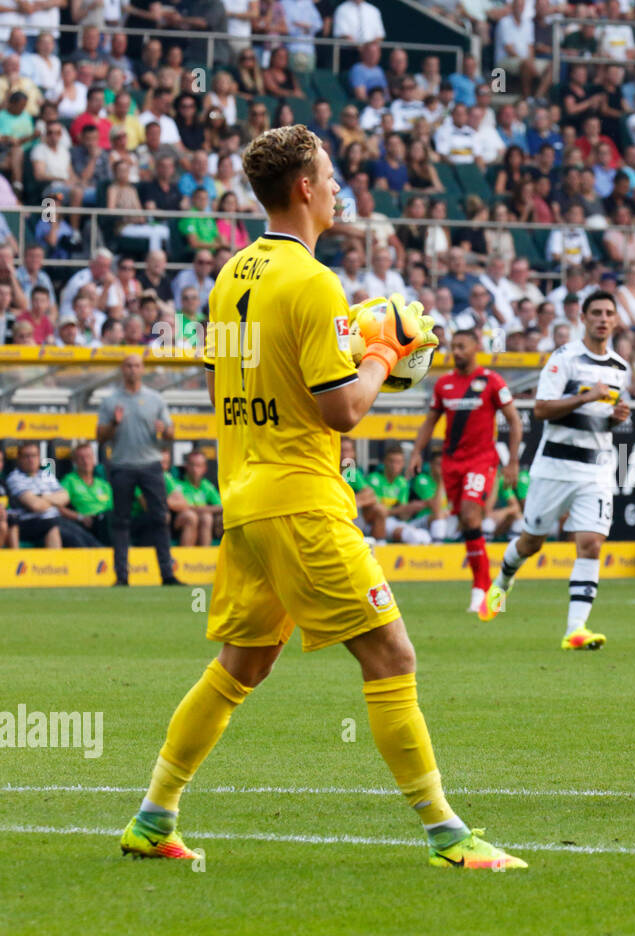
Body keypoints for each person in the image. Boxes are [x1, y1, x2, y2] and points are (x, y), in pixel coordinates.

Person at [118, 124, 524, 870]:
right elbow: (342, 409)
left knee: (241, 667)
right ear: (304, 187)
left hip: (245, 494)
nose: (339, 189)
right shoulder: (312, 280)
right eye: (331, 177)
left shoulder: (230, 274)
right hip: (301, 496)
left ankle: (153, 814)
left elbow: (221, 383)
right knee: (391, 653)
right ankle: (445, 834)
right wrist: (380, 356)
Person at [481, 291, 631, 649]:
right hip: (553, 467)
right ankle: (502, 579)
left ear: (616, 320)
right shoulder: (564, 359)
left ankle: (575, 629)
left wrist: (614, 419)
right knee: (532, 542)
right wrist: (585, 396)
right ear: (583, 317)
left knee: (591, 544)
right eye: (596, 312)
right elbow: (542, 409)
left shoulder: (620, 368)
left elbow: (598, 421)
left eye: (609, 313)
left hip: (595, 468)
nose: (603, 319)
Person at [408, 328, 522, 615]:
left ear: (476, 347)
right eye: (452, 347)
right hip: (451, 463)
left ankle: (479, 589)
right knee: (466, 523)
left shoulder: (492, 381)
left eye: (461, 346)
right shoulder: (443, 384)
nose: (455, 352)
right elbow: (429, 422)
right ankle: (490, 585)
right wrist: (416, 453)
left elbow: (515, 421)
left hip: (481, 461)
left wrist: (512, 463)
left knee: (471, 514)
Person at [96, 353, 181, 585]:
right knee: (121, 521)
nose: (132, 370)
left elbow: (172, 433)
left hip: (151, 465)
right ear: (122, 370)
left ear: (142, 370)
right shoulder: (111, 401)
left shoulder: (155, 399)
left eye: (136, 366)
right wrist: (113, 423)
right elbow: (99, 436)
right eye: (128, 366)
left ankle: (167, 574)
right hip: (122, 465)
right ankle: (122, 576)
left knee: (160, 518)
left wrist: (165, 430)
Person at [5, 442, 101, 549]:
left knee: (92, 542)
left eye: (34, 455)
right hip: (34, 522)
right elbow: (35, 505)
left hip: (58, 519)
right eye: (27, 456)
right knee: (77, 542)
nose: (31, 460)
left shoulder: (46, 474)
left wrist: (42, 497)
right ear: (19, 459)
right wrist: (53, 500)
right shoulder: (15, 478)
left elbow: (65, 497)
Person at [58, 441, 114, 544]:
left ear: (93, 459)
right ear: (75, 462)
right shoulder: (70, 480)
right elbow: (58, 507)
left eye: (88, 457)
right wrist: (80, 517)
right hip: (88, 522)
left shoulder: (102, 484)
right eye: (81, 458)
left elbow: (112, 506)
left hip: (107, 519)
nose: (85, 461)